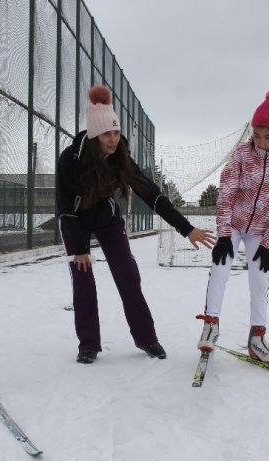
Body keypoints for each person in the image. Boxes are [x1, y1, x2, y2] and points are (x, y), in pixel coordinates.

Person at [57, 85, 215, 364]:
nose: (114, 139)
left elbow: (152, 194)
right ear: (95, 134)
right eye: (107, 133)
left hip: (107, 220)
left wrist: (186, 228)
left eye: (116, 132)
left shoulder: (121, 159)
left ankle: (146, 338)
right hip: (75, 223)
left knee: (128, 276)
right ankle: (89, 345)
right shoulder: (70, 160)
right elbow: (66, 210)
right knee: (83, 281)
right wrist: (81, 249)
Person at [196, 89, 269, 364]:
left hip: (261, 231)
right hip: (235, 226)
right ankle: (211, 326)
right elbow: (226, 194)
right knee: (220, 269)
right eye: (257, 136)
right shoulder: (241, 155)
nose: (262, 142)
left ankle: (257, 338)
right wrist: (224, 236)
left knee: (260, 279)